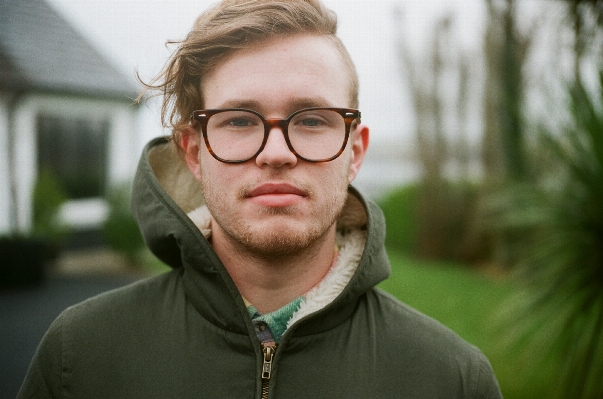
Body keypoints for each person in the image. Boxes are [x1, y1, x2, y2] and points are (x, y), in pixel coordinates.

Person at [18, 0, 502, 397]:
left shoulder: (453, 380)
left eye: (312, 119)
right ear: (193, 152)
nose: (275, 153)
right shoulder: (78, 357)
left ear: (355, 152)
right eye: (239, 121)